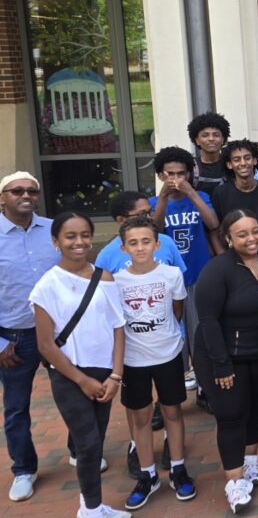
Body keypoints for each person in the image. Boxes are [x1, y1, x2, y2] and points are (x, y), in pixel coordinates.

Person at [30, 212, 128, 517]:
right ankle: (88, 511)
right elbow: (46, 344)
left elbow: (118, 327)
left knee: (96, 442)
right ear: (55, 241)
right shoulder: (47, 285)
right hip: (69, 375)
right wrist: (82, 380)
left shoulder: (104, 277)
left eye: (85, 234)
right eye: (70, 236)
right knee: (86, 444)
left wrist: (115, 375)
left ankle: (93, 506)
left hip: (104, 373)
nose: (79, 242)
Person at [193, 209, 258, 513]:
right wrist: (221, 364)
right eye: (242, 234)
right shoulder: (217, 270)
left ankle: (251, 462)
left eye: (255, 231)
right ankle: (234, 481)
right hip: (224, 356)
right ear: (228, 238)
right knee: (231, 415)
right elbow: (208, 322)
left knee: (253, 406)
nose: (251, 238)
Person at [114, 216, 196, 508]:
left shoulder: (171, 274)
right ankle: (147, 474)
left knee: (173, 411)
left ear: (157, 244)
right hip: (134, 359)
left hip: (168, 354)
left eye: (146, 241)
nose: (140, 248)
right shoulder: (116, 281)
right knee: (141, 417)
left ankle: (178, 467)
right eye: (133, 243)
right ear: (123, 248)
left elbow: (177, 310)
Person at [0, 172, 60, 502]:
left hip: (57, 333)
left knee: (71, 396)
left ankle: (79, 451)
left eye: (32, 190)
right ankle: (24, 469)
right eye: (17, 190)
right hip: (13, 338)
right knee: (16, 408)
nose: (26, 195)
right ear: (2, 197)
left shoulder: (53, 230)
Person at [150, 146, 221, 412]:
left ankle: (205, 388)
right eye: (170, 174)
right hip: (168, 282)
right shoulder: (155, 202)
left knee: (199, 335)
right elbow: (154, 230)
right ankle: (168, 397)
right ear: (160, 175)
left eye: (182, 173)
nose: (176, 179)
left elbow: (213, 223)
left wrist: (192, 193)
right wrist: (163, 199)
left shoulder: (199, 195)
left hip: (199, 275)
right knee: (171, 339)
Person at [96, 192, 186, 274]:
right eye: (142, 214)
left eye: (150, 212)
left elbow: (178, 277)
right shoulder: (107, 255)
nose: (149, 218)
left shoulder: (166, 241)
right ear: (121, 220)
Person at [212, 139, 258, 222]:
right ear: (229, 164)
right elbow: (218, 228)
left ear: (254, 160)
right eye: (236, 160)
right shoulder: (221, 193)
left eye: (247, 158)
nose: (243, 163)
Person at [188, 111, 231, 194]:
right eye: (205, 135)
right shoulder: (190, 168)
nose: (211, 139)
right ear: (196, 140)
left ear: (223, 139)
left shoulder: (233, 165)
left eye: (216, 135)